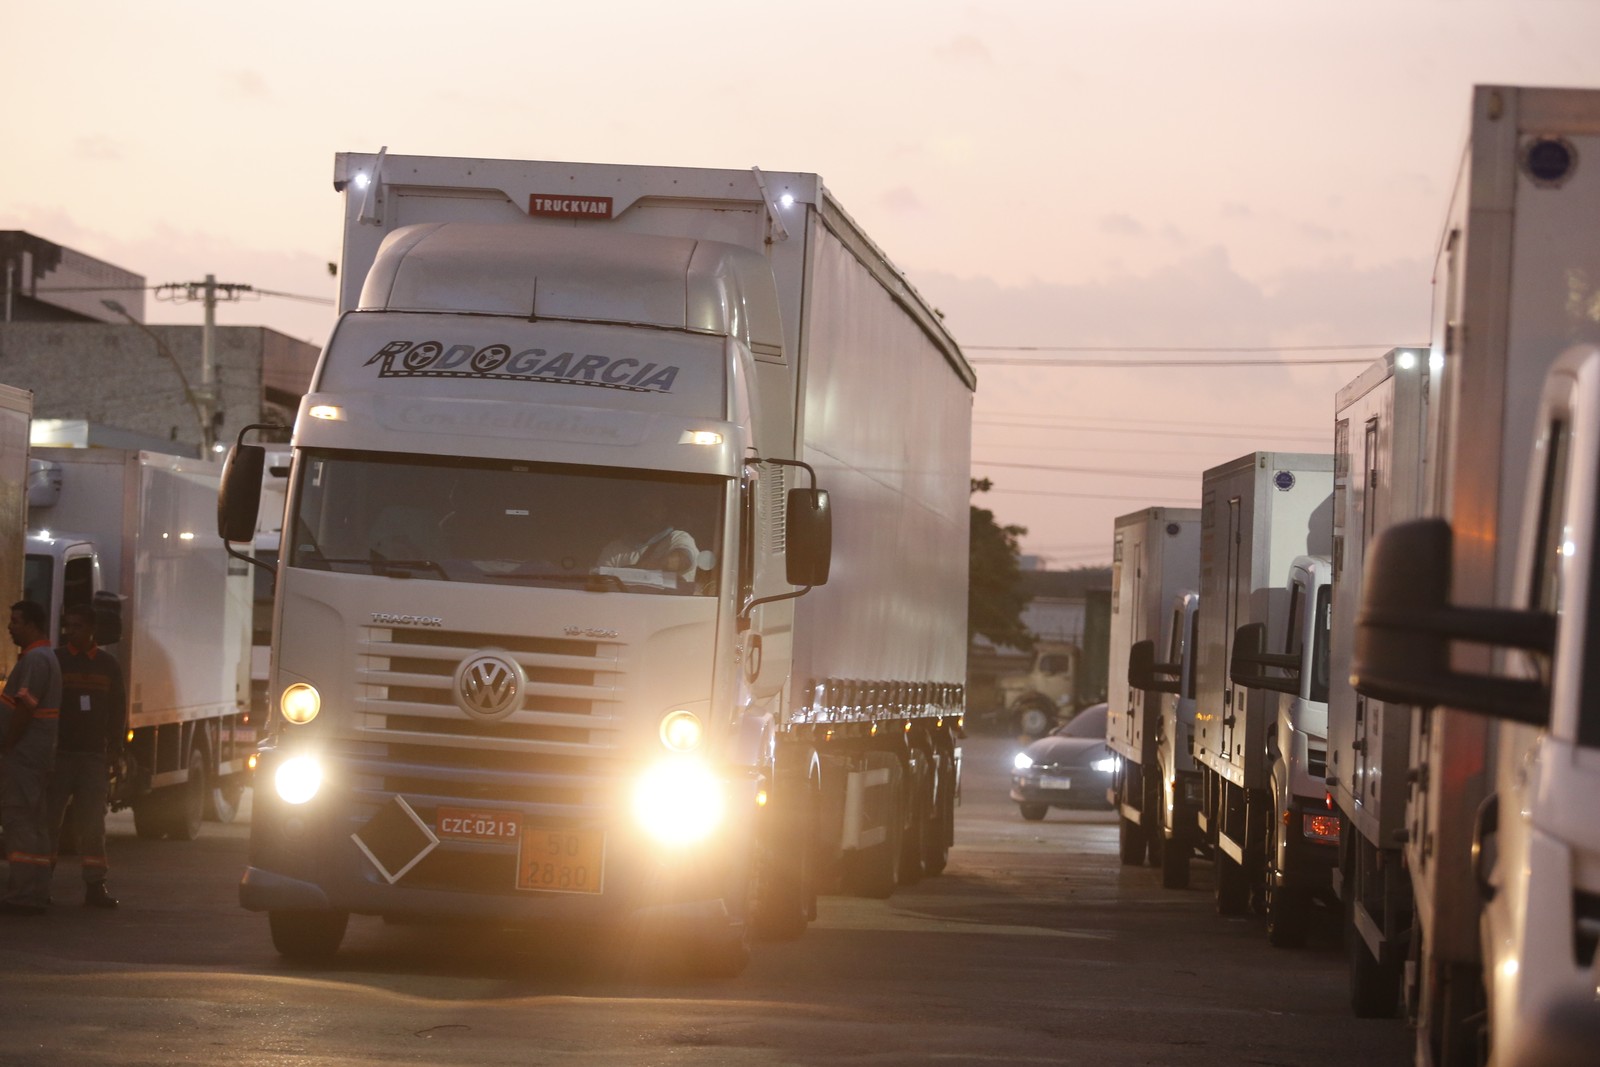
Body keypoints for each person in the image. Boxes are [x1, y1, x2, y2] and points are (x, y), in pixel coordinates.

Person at [48, 602, 125, 909]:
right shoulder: (57, 661)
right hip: (60, 755)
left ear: (91, 629)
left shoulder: (107, 665)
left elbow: (117, 711)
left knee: (92, 824)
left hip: (93, 757)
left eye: (78, 626)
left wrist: (115, 749)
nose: (71, 632)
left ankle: (95, 885)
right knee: (48, 822)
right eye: (68, 625)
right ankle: (39, 884)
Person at [1, 599, 62, 915]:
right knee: (35, 824)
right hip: (33, 757)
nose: (11, 626)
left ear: (33, 625)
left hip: (23, 756)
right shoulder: (43, 658)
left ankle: (23, 892)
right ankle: (36, 890)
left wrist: (7, 744)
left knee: (19, 821)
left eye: (16, 621)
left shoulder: (36, 660)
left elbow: (25, 707)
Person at [597, 489, 699, 583]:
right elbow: (600, 584)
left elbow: (685, 559)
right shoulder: (613, 549)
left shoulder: (678, 537)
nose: (645, 510)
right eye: (640, 506)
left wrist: (657, 564)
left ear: (664, 511)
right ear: (632, 511)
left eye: (652, 506)